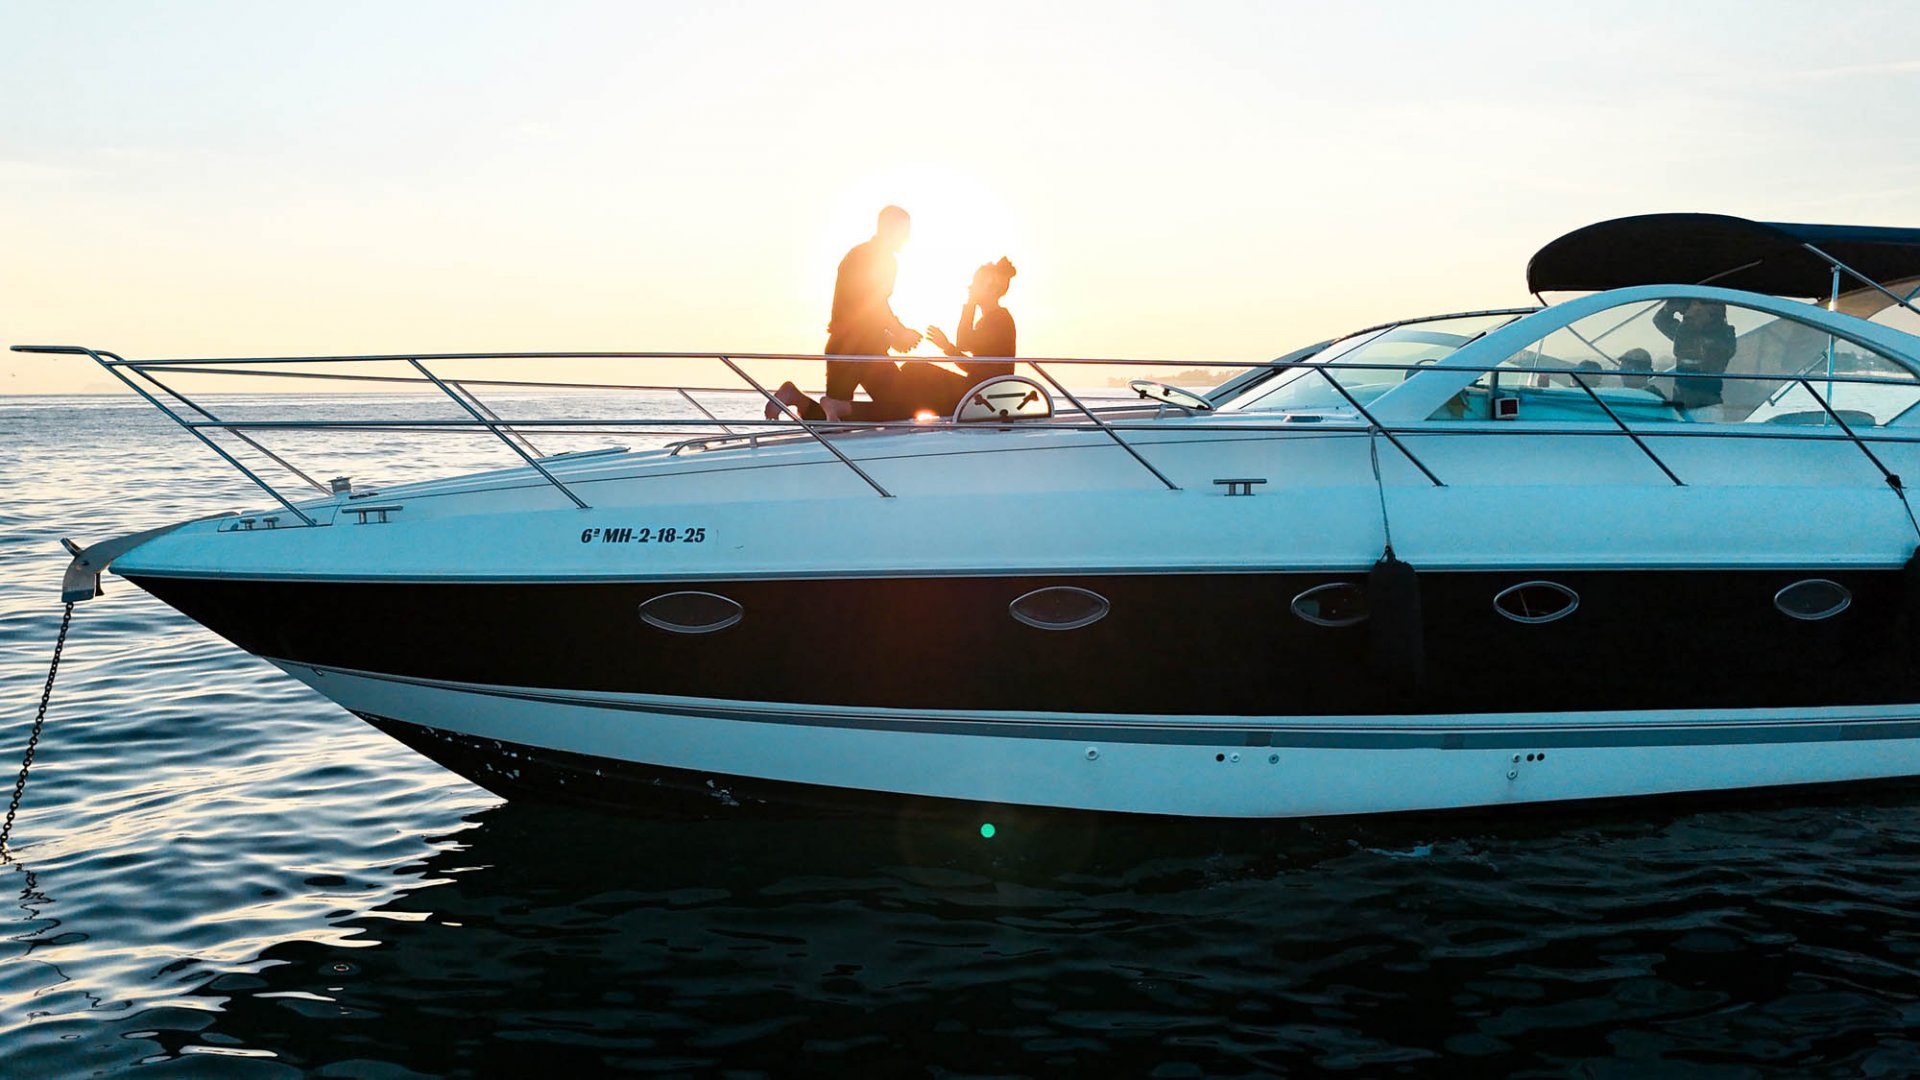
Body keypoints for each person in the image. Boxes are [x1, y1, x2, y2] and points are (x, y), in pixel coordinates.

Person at [772, 256, 1021, 422]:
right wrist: (949, 348)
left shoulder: (998, 320)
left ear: (989, 288)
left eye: (975, 283)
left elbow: (969, 348)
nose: (969, 287)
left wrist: (967, 308)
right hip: (976, 396)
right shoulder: (993, 319)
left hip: (982, 399)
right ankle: (827, 407)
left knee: (904, 400)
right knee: (900, 405)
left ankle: (811, 404)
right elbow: (981, 367)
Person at [766, 206, 921, 422]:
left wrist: (892, 336)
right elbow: (874, 302)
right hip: (864, 350)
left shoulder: (858, 253)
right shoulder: (882, 258)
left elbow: (858, 308)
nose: (907, 237)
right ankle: (828, 406)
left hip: (842, 346)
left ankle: (796, 398)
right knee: (903, 409)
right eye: (905, 230)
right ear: (891, 229)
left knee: (834, 419)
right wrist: (900, 332)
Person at [1653, 299, 1735, 409]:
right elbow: (1660, 320)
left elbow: (1706, 357)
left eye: (1696, 305)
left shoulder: (1723, 337)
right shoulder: (1686, 333)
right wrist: (1670, 307)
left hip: (1707, 407)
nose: (1689, 311)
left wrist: (1690, 319)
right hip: (1682, 403)